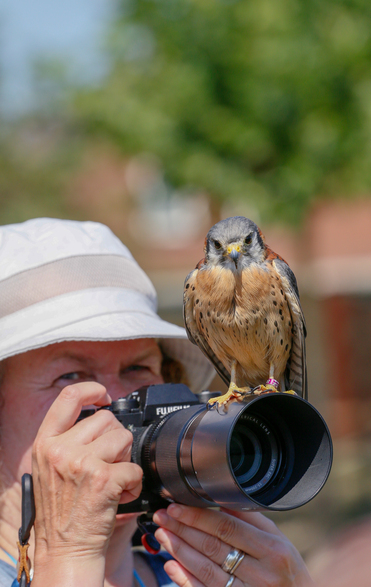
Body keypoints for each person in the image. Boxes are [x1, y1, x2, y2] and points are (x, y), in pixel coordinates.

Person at [0, 217, 314, 587]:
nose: (115, 399)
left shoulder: (198, 573)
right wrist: (70, 554)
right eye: (70, 376)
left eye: (137, 367)